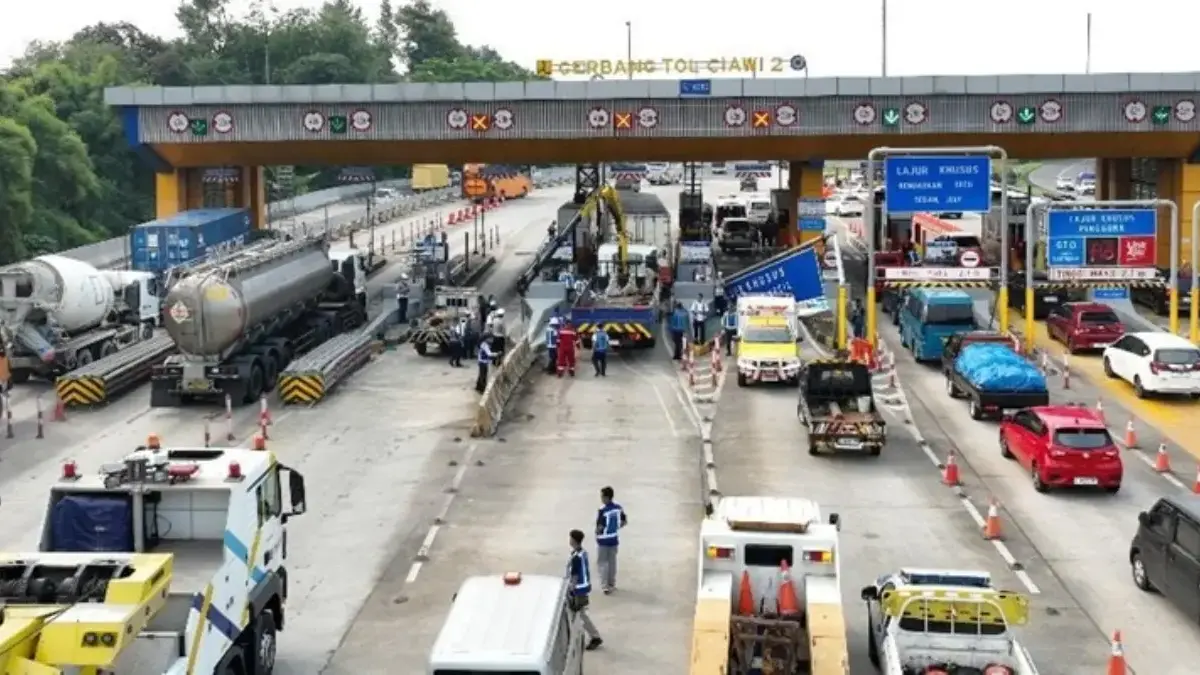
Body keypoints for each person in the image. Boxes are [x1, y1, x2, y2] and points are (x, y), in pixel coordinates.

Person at [567, 529, 604, 651]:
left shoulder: (576, 557)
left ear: (574, 540)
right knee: (579, 614)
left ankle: (595, 636)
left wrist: (570, 589)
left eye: (571, 538)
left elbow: (575, 576)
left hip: (579, 590)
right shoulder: (582, 553)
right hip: (584, 587)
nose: (569, 540)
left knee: (580, 614)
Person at [594, 487, 627, 594]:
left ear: (606, 497)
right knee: (612, 562)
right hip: (614, 539)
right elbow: (623, 521)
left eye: (602, 496)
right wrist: (615, 528)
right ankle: (612, 583)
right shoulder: (618, 508)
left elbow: (599, 527)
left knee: (602, 563)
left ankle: (605, 586)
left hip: (603, 540)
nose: (601, 498)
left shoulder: (602, 510)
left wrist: (597, 534)